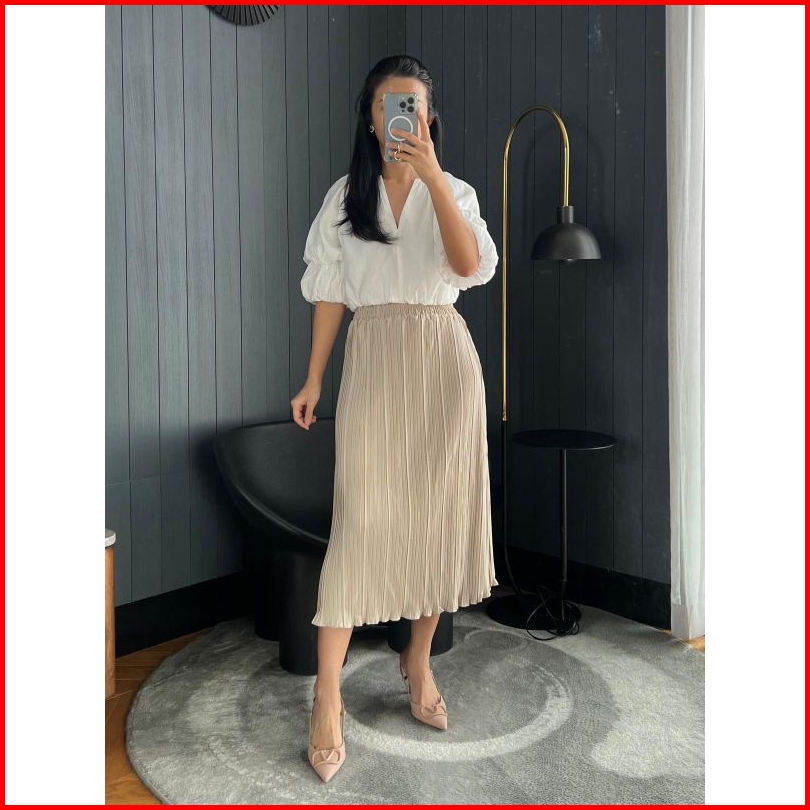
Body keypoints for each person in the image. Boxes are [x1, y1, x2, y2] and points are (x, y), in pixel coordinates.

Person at [290, 54, 499, 783]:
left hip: (443, 362)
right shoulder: (345, 198)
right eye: (388, 104)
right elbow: (329, 293)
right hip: (376, 359)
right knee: (361, 524)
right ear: (371, 118)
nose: (401, 115)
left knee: (435, 519)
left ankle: (418, 661)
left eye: (413, 104)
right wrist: (314, 377)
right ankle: (327, 696)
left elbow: (469, 266)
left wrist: (434, 177)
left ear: (429, 118)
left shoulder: (456, 191)